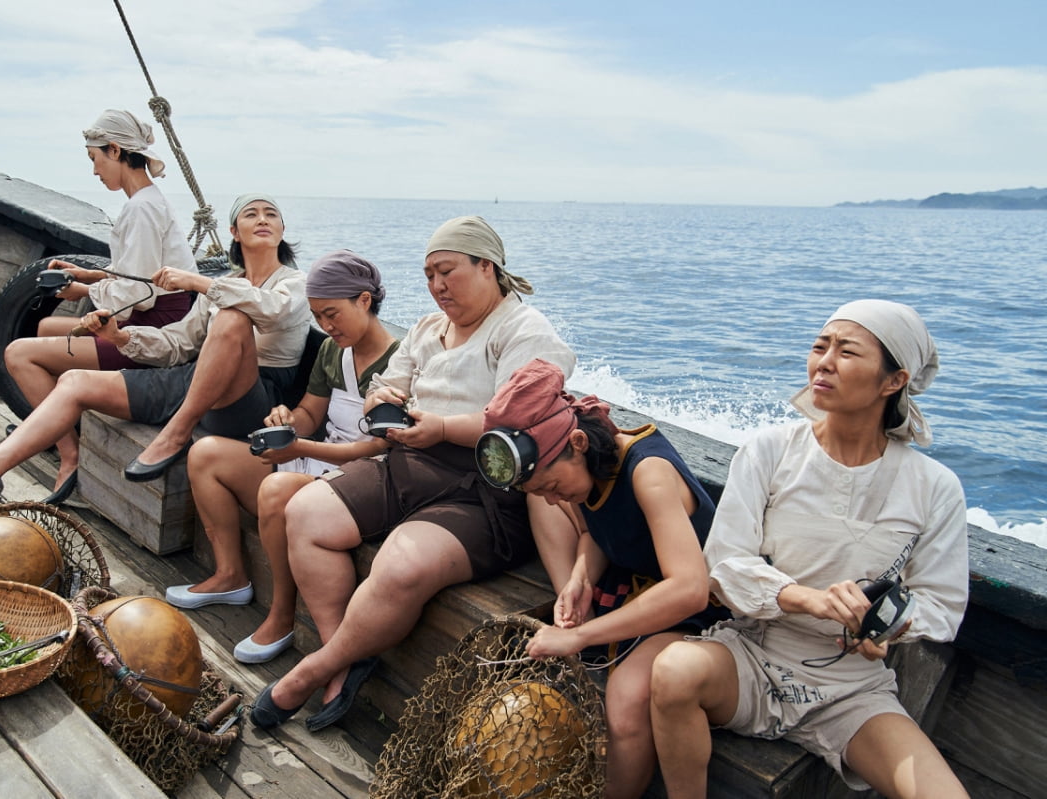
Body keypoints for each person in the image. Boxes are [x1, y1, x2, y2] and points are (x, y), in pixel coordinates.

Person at [249, 216, 576, 733]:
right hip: (408, 462)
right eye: (428, 275)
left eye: (447, 271)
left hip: (485, 487)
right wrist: (385, 398)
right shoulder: (428, 328)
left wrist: (443, 426)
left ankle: (315, 668)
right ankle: (344, 658)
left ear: (486, 267)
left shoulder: (524, 331)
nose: (437, 286)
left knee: (401, 563)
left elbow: (518, 423)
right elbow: (393, 382)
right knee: (306, 512)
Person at [649, 300, 970, 799]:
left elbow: (942, 605)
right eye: (820, 346)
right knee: (674, 670)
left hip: (853, 687)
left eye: (846, 351)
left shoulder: (934, 487)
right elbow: (725, 564)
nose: (824, 360)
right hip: (754, 656)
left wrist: (886, 625)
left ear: (893, 381)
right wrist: (806, 598)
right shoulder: (769, 451)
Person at [0, 194, 309, 502]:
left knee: (233, 317)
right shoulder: (223, 286)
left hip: (252, 400)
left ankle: (176, 431)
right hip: (196, 382)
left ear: (283, 230)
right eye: (251, 214)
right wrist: (119, 336)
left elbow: (272, 312)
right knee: (76, 381)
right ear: (234, 233)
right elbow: (176, 344)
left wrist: (201, 282)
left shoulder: (294, 283)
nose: (262, 220)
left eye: (271, 214)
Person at [473, 358, 728, 798]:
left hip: (706, 609)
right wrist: (579, 578)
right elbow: (595, 530)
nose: (554, 501)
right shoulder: (585, 467)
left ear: (576, 442)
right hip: (642, 585)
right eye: (541, 492)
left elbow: (689, 587)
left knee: (626, 703)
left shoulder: (647, 473)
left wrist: (579, 637)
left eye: (553, 486)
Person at [165, 250, 400, 666]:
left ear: (365, 300)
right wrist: (288, 419)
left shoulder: (401, 362)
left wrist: (299, 448)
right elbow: (311, 414)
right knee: (205, 455)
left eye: (333, 314)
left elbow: (380, 448)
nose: (326, 326)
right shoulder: (333, 351)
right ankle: (230, 576)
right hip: (318, 458)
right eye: (318, 317)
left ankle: (282, 613)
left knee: (275, 490)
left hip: (361, 479)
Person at [4, 109, 196, 426]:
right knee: (46, 329)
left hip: (155, 328)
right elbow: (141, 271)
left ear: (115, 150)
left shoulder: (141, 210)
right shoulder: (147, 200)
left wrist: (84, 290)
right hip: (160, 314)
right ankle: (61, 421)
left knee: (18, 353)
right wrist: (89, 274)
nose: (95, 170)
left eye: (95, 158)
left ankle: (66, 450)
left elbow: (139, 294)